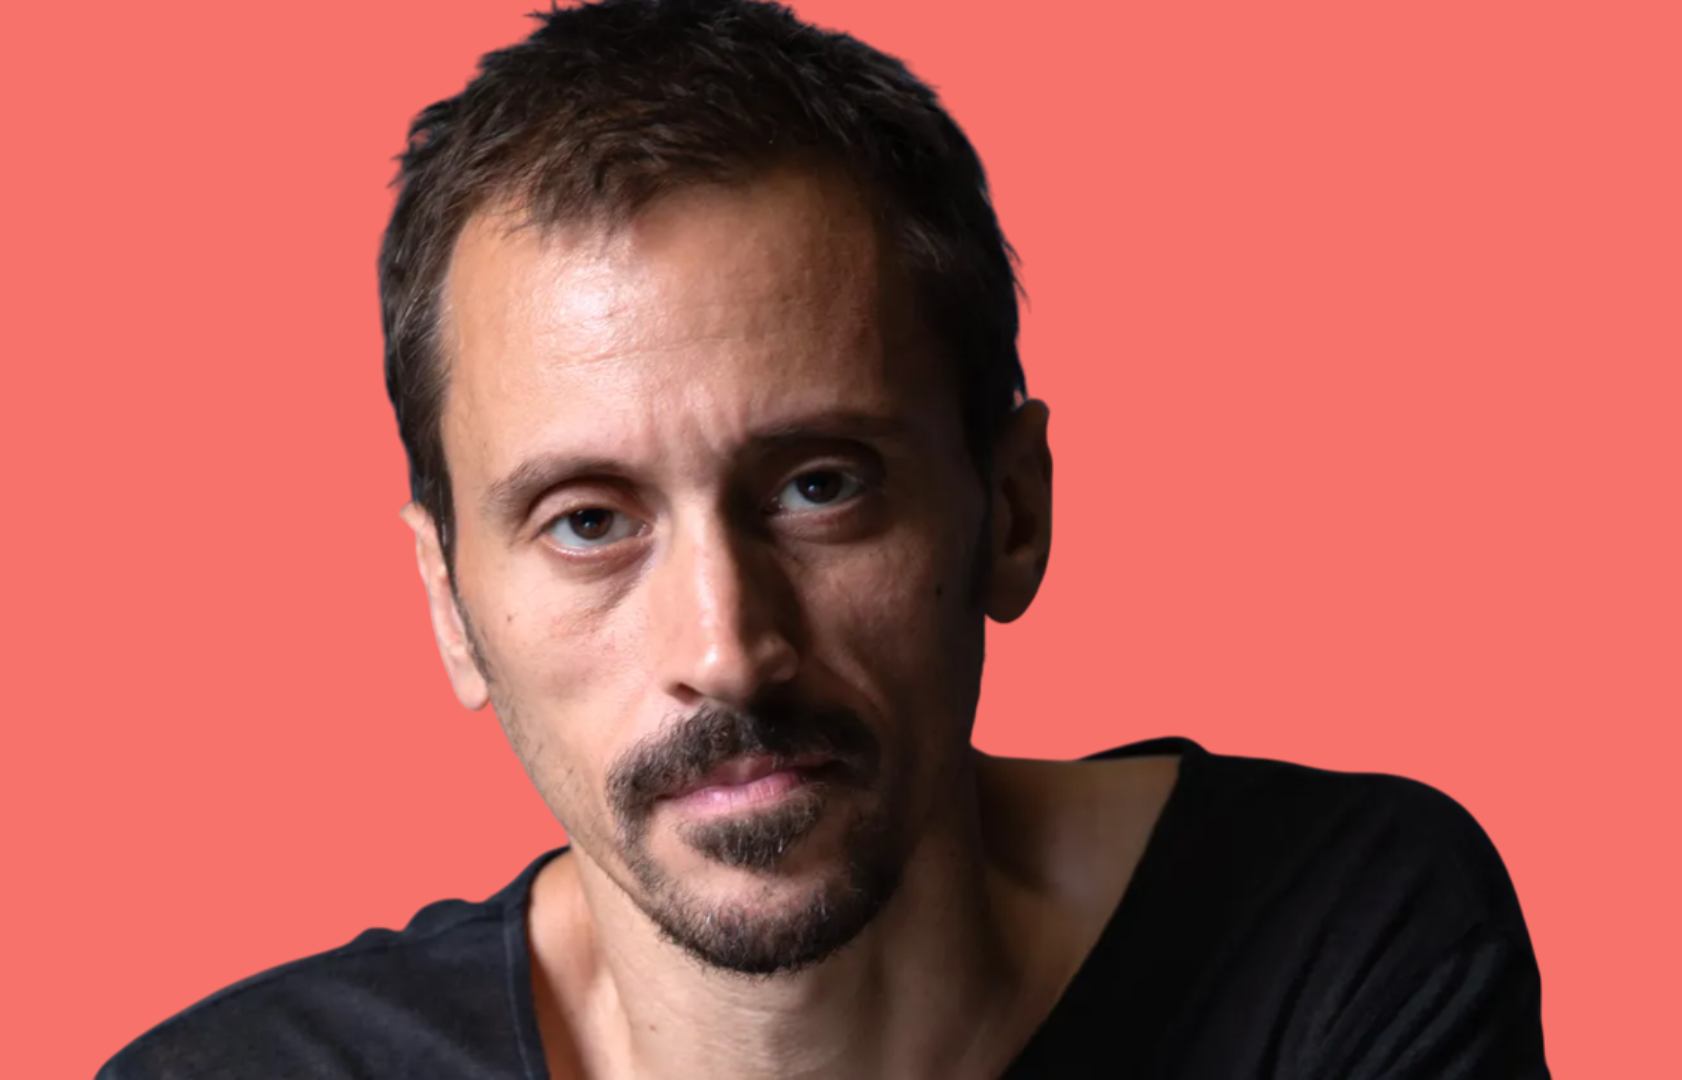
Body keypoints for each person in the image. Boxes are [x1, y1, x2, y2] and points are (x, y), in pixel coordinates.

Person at [99, 1, 1549, 1076]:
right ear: (450, 605)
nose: (729, 648)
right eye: (589, 522)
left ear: (1012, 510)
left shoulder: (1342, 948)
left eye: (818, 488)